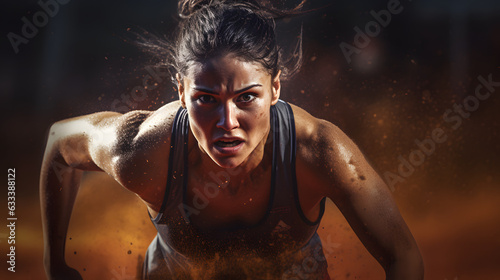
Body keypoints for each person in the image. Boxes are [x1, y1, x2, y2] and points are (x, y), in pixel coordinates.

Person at [40, 0, 424, 279]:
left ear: (275, 88)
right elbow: (60, 144)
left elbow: (402, 255)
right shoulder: (142, 150)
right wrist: (54, 264)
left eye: (247, 98)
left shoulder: (318, 150)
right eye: (206, 99)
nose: (228, 122)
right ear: (180, 92)